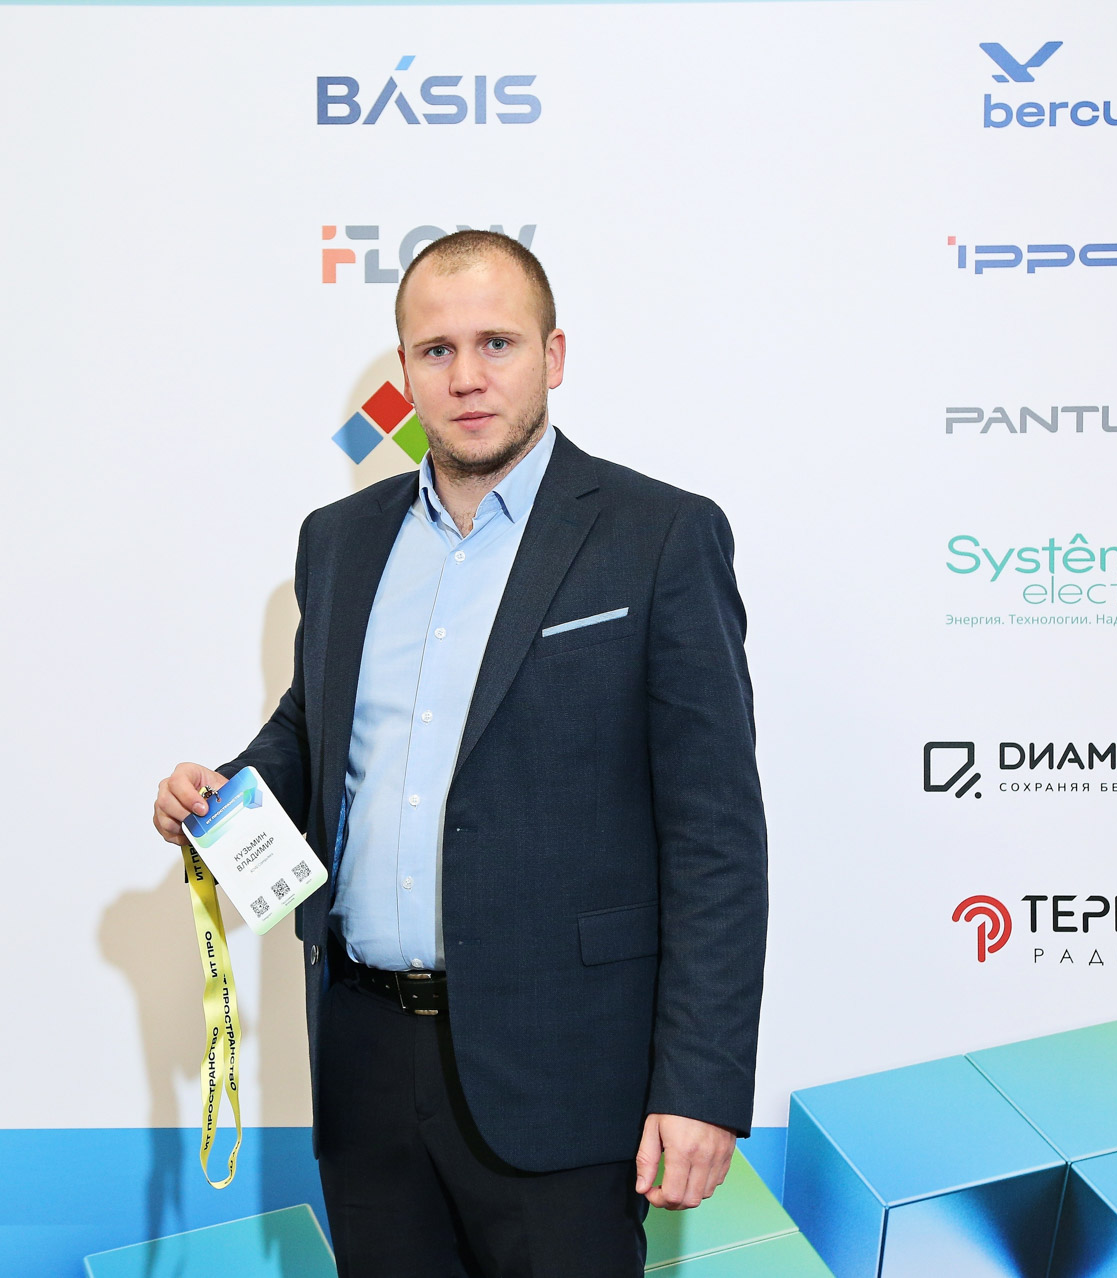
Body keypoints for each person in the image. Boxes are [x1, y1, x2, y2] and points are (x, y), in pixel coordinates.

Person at [153, 231, 767, 1278]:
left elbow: (716, 837)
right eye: (437, 351)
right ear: (405, 373)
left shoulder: (659, 535)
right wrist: (222, 791)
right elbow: (317, 728)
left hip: (567, 1075)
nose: (468, 377)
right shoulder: (338, 540)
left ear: (553, 356)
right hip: (365, 1064)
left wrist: (700, 1085)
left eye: (497, 343)